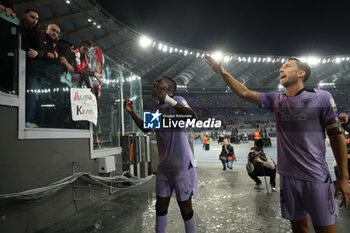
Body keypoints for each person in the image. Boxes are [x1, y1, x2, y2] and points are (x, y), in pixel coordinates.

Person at [205, 55, 350, 233]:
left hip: (316, 177)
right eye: (281, 66)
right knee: (298, 229)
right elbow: (244, 92)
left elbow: (336, 136)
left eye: (287, 66)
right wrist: (222, 72)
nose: (281, 69)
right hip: (288, 177)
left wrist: (343, 177)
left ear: (301, 73)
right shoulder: (276, 100)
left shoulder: (321, 97)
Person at [125, 75, 198, 233]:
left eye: (159, 82)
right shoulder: (156, 109)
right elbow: (146, 128)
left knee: (185, 207)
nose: (155, 83)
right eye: (155, 81)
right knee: (160, 206)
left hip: (182, 166)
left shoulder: (177, 99)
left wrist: (169, 100)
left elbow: (192, 117)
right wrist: (131, 112)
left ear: (169, 89)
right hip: (164, 168)